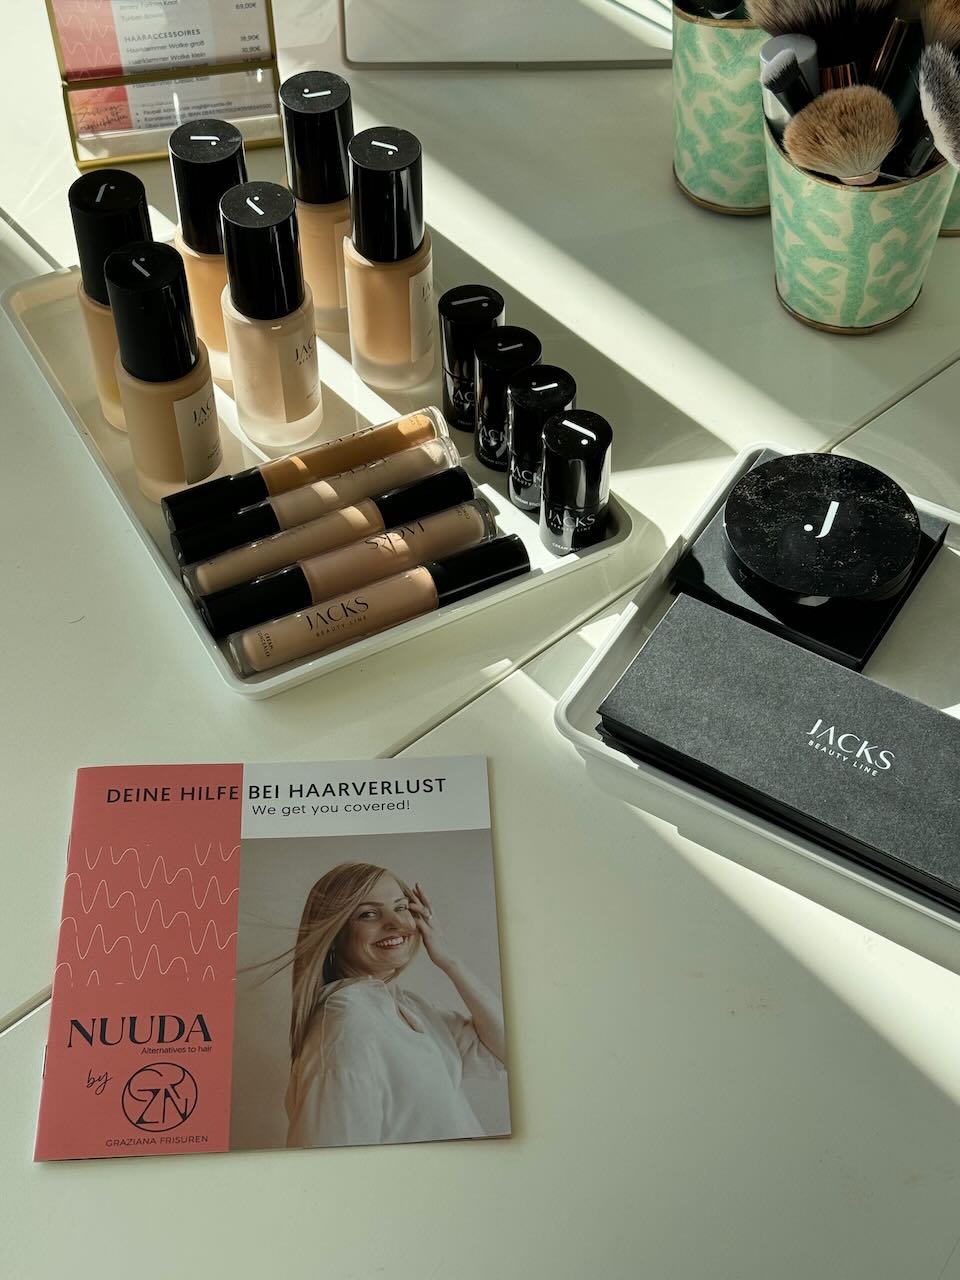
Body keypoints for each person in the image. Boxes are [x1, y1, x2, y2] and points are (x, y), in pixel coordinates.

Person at [279, 861, 506, 1148]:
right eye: (368, 914)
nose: (396, 923)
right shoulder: (345, 1027)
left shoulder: (408, 1007)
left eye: (401, 907)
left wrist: (449, 961)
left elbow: (506, 1051)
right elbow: (333, 1162)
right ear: (333, 935)